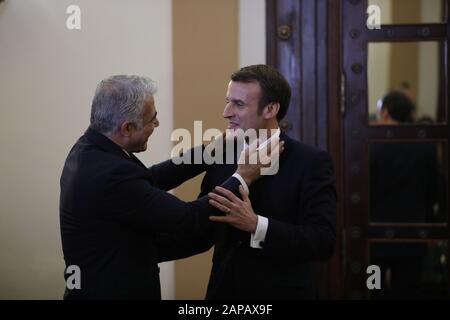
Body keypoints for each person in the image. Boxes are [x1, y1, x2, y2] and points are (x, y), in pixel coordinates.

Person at [59, 75, 279, 300]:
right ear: (126, 128)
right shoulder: (109, 173)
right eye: (152, 119)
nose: (157, 123)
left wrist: (210, 152)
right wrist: (243, 176)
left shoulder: (90, 147)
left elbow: (148, 179)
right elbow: (188, 219)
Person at [181, 64, 337, 299]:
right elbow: (204, 229)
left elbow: (322, 242)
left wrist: (257, 225)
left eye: (239, 104)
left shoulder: (311, 162)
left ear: (271, 108)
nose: (226, 112)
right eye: (228, 101)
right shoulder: (220, 154)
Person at [370, 91, 441, 299]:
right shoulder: (426, 148)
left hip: (374, 238)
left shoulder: (371, 147)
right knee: (408, 292)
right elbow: (435, 191)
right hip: (414, 235)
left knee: (372, 288)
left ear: (384, 113)